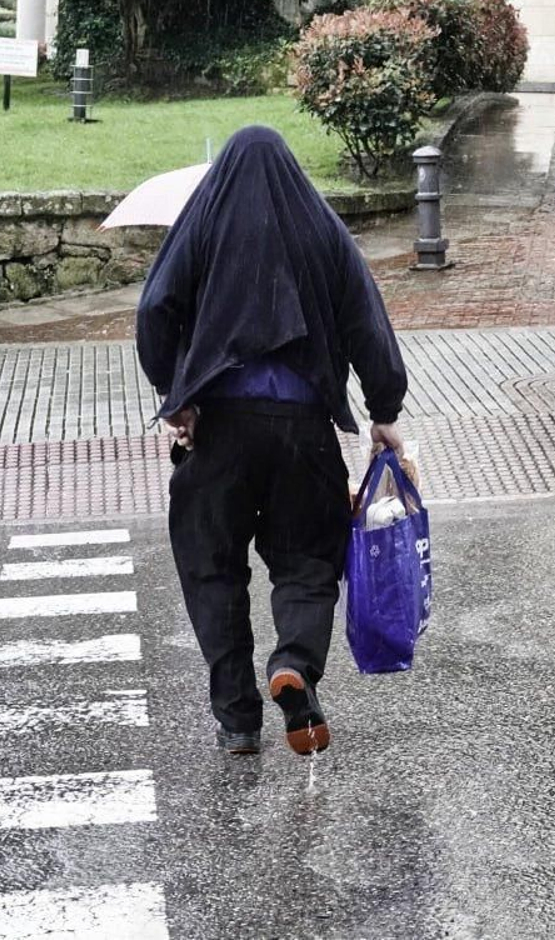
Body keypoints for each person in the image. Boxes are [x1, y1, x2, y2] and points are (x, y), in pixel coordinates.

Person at [135, 125, 409, 757]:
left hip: (221, 427)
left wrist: (178, 398)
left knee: (213, 569)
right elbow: (367, 320)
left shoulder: (201, 226)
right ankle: (293, 665)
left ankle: (236, 719)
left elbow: (154, 310)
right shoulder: (323, 229)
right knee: (309, 562)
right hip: (303, 431)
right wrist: (384, 409)